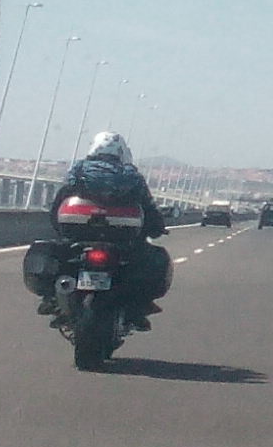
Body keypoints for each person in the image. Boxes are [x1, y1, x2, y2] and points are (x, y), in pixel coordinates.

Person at [28, 130, 175, 328]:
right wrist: (157, 228)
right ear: (122, 152)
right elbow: (148, 208)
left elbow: (60, 201)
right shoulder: (131, 175)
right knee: (143, 261)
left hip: (79, 233)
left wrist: (59, 225)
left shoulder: (79, 170)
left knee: (62, 256)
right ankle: (138, 308)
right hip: (121, 236)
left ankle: (52, 299)